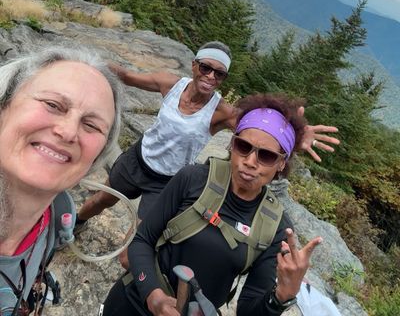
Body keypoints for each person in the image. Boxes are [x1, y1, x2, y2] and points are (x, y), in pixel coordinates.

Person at [76, 41, 339, 228]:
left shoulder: (221, 112)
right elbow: (126, 76)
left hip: (167, 181)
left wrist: (296, 134)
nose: (211, 76)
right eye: (205, 68)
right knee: (101, 200)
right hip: (138, 159)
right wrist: (86, 63)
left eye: (219, 74)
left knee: (143, 235)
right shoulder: (170, 84)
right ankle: (74, 225)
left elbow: (263, 130)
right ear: (194, 65)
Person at [102, 93, 322, 316]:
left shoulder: (275, 226)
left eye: (266, 156)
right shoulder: (193, 179)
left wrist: (281, 296)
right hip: (131, 303)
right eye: (243, 146)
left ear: (282, 163)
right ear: (232, 144)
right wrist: (154, 296)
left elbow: (248, 310)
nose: (250, 162)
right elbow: (142, 240)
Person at [0, 47, 123, 315]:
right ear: (3, 106)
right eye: (53, 105)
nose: (68, 132)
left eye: (91, 125)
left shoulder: (57, 215)